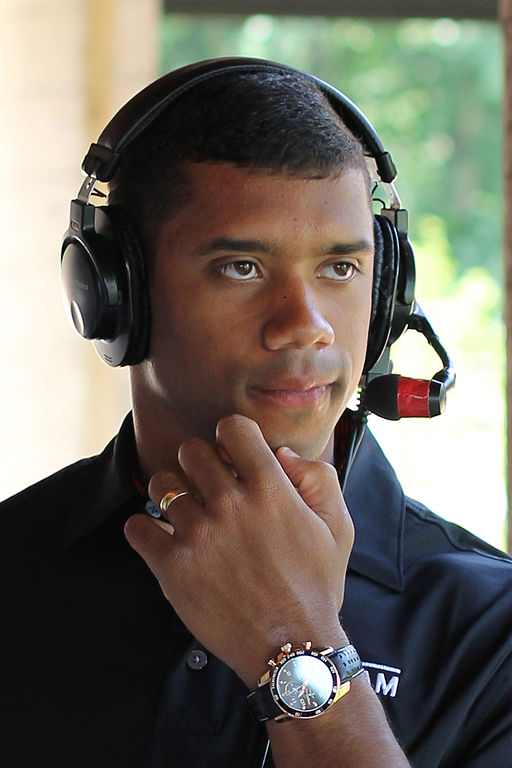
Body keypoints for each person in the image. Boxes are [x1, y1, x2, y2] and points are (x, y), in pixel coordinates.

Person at [0, 58, 511, 768]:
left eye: (340, 268)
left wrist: (296, 644)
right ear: (114, 293)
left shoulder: (492, 631)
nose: (306, 326)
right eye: (241, 266)